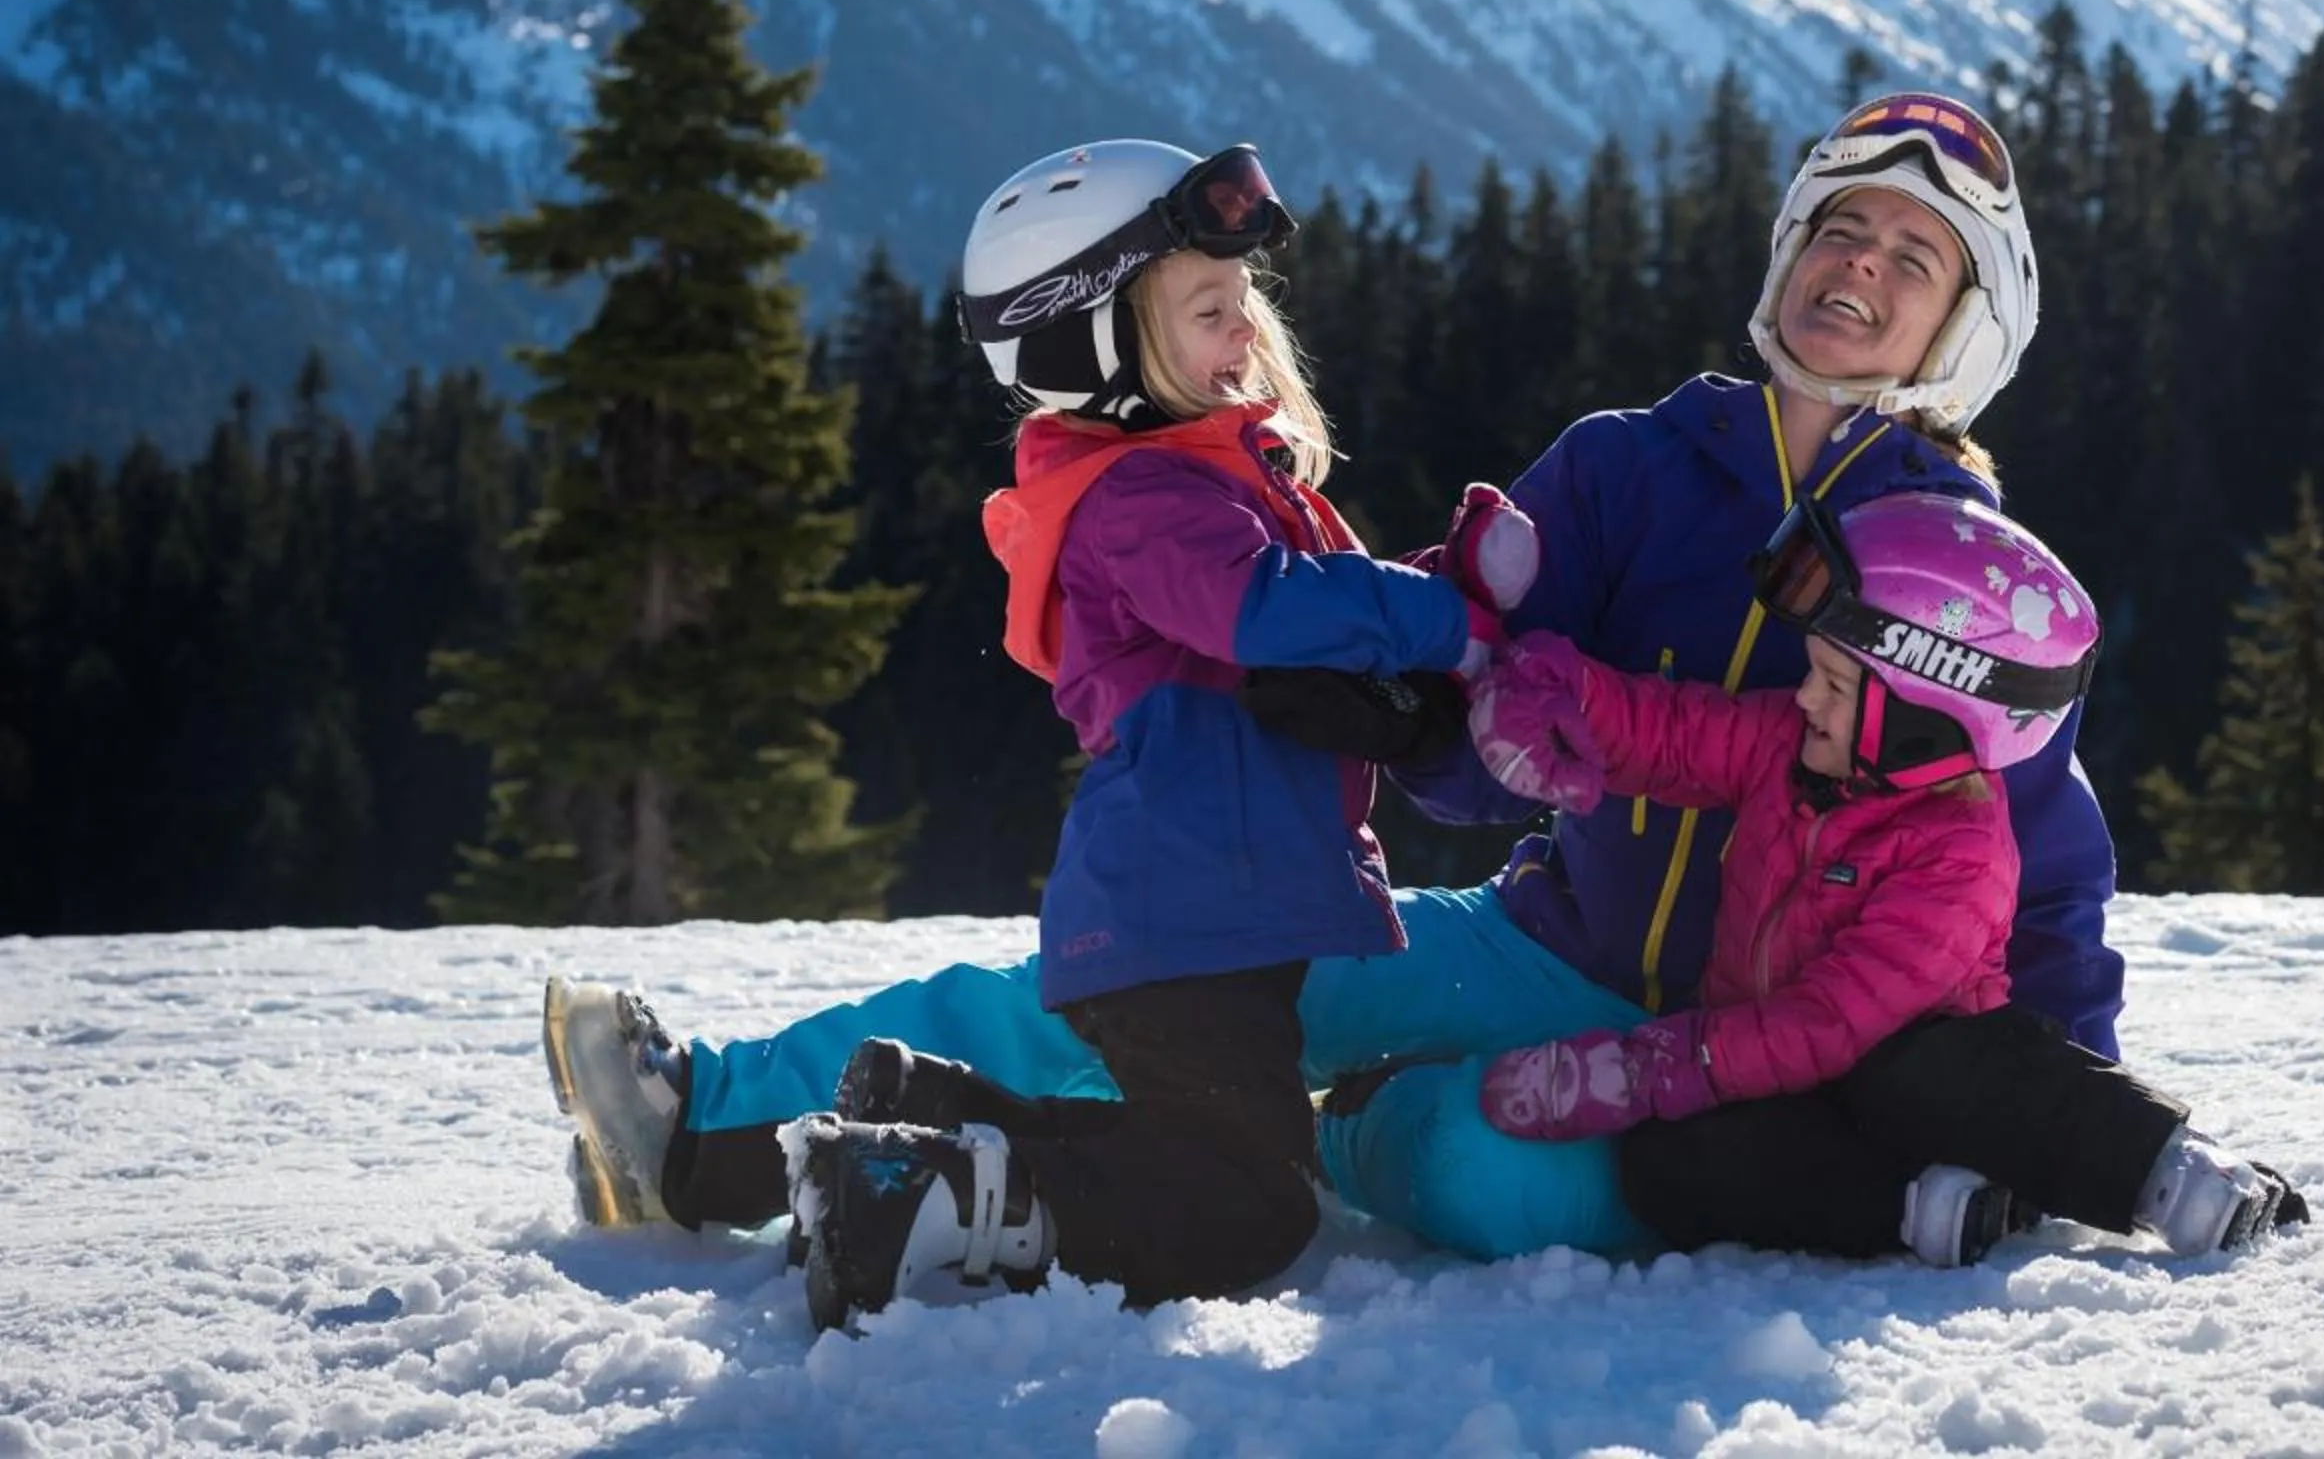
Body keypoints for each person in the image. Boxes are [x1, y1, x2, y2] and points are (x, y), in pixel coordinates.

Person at [544, 90, 2129, 1270]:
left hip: (1758, 1036)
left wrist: (2054, 1113)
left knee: (1472, 1171)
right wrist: (1419, 720)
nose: (1862, 264)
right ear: (1792, 248)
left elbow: (2031, 854)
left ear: (1963, 329)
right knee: (1167, 983)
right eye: (1843, 226)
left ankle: (1330, 1127)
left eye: (1916, 257)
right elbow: (1460, 728)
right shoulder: (1630, 471)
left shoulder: (1967, 574)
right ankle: (706, 1121)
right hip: (1542, 944)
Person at [553, 136, 1529, 1328]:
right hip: (1189, 920)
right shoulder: (1141, 499)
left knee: (1191, 1143)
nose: (1245, 330)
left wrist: (1441, 609)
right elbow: (1268, 605)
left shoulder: (1199, 480)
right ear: (1093, 342)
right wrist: (1444, 616)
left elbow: (1316, 599)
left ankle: (916, 1108)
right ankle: (919, 1194)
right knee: (1249, 1204)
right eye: (1212, 306)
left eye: (1243, 302)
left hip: (1216, 911)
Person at [1464, 492, 2302, 1264]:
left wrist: (1653, 1065)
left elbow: (1832, 1022)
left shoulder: (1956, 852)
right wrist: (1562, 691)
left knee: (1930, 1067)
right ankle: (1929, 1205)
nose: (1803, 701)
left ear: (1923, 721)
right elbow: (1679, 734)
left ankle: (2174, 1171)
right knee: (1666, 1162)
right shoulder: (1789, 753)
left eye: (1833, 683)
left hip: (1915, 1079)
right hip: (1799, 1089)